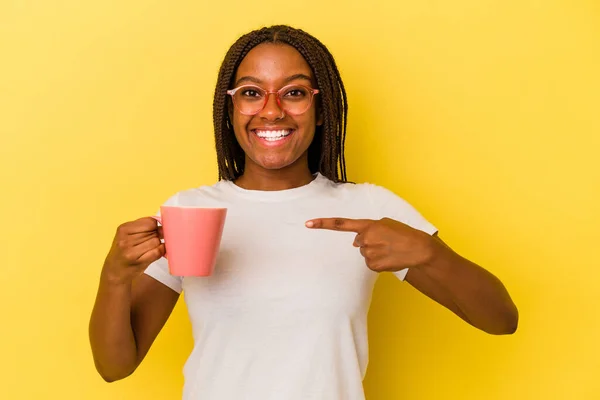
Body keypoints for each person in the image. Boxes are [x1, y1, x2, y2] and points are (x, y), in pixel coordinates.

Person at [89, 25, 518, 400]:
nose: (271, 110)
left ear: (320, 106)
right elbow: (115, 367)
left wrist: (430, 254)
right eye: (252, 93)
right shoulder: (190, 210)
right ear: (231, 108)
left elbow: (500, 320)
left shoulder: (369, 208)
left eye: (293, 92)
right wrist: (114, 276)